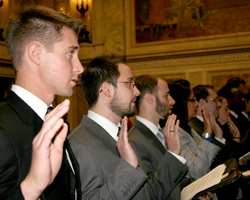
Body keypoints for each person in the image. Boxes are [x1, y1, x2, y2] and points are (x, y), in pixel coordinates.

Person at [68, 56, 195, 200]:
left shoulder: (122, 135)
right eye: (129, 83)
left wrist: (173, 155)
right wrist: (128, 168)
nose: (137, 91)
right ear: (107, 90)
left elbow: (149, 194)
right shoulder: (79, 144)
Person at [0, 6, 84, 200]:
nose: (79, 68)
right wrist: (31, 187)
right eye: (70, 53)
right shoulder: (3, 128)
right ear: (36, 54)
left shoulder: (53, 118)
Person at [128, 75, 191, 200]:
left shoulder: (160, 133)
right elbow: (151, 192)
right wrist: (173, 154)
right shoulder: (133, 140)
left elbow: (174, 181)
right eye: (166, 95)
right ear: (150, 98)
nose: (172, 101)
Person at [167, 79, 220, 180]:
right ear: (181, 102)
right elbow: (197, 172)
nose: (196, 104)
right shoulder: (175, 132)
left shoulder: (187, 127)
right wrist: (207, 134)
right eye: (192, 100)